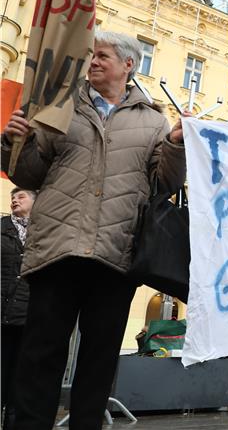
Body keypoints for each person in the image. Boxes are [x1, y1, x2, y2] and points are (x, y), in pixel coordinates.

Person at [1, 30, 189, 429]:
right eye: (92, 55)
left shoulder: (154, 120)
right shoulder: (61, 107)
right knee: (41, 357)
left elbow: (164, 185)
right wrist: (14, 143)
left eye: (103, 56)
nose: (94, 61)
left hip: (116, 256)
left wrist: (175, 144)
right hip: (58, 249)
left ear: (128, 65)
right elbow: (28, 173)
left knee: (99, 361)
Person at [1, 188, 36, 429]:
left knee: (20, 384)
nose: (15, 199)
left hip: (28, 318)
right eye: (13, 197)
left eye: (21, 196)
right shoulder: (1, 228)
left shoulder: (43, 231)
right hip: (2, 314)